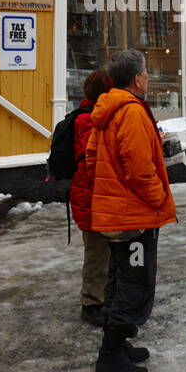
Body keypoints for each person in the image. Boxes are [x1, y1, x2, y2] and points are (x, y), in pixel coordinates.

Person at [85, 49, 177, 372]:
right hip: (134, 218)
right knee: (133, 285)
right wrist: (158, 199)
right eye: (147, 73)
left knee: (121, 279)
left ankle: (118, 345)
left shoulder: (107, 110)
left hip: (117, 214)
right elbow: (139, 172)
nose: (149, 77)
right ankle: (109, 357)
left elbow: (93, 161)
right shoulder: (133, 113)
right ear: (137, 78)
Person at [71, 69, 112, 326]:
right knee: (97, 253)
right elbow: (93, 161)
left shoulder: (92, 116)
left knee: (103, 251)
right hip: (91, 197)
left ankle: (101, 298)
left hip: (95, 196)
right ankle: (91, 304)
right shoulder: (88, 120)